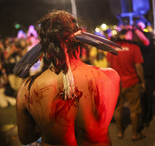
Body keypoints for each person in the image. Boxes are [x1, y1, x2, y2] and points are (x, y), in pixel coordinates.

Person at [16, 10, 120, 146]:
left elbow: (26, 138)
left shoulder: (28, 89)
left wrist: (45, 124)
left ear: (45, 49)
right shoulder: (111, 77)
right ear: (80, 42)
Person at [107, 29, 146, 141]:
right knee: (134, 109)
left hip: (117, 84)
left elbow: (109, 66)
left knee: (118, 109)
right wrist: (143, 82)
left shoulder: (111, 48)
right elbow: (138, 67)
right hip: (132, 82)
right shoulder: (134, 48)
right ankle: (135, 134)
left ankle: (119, 132)